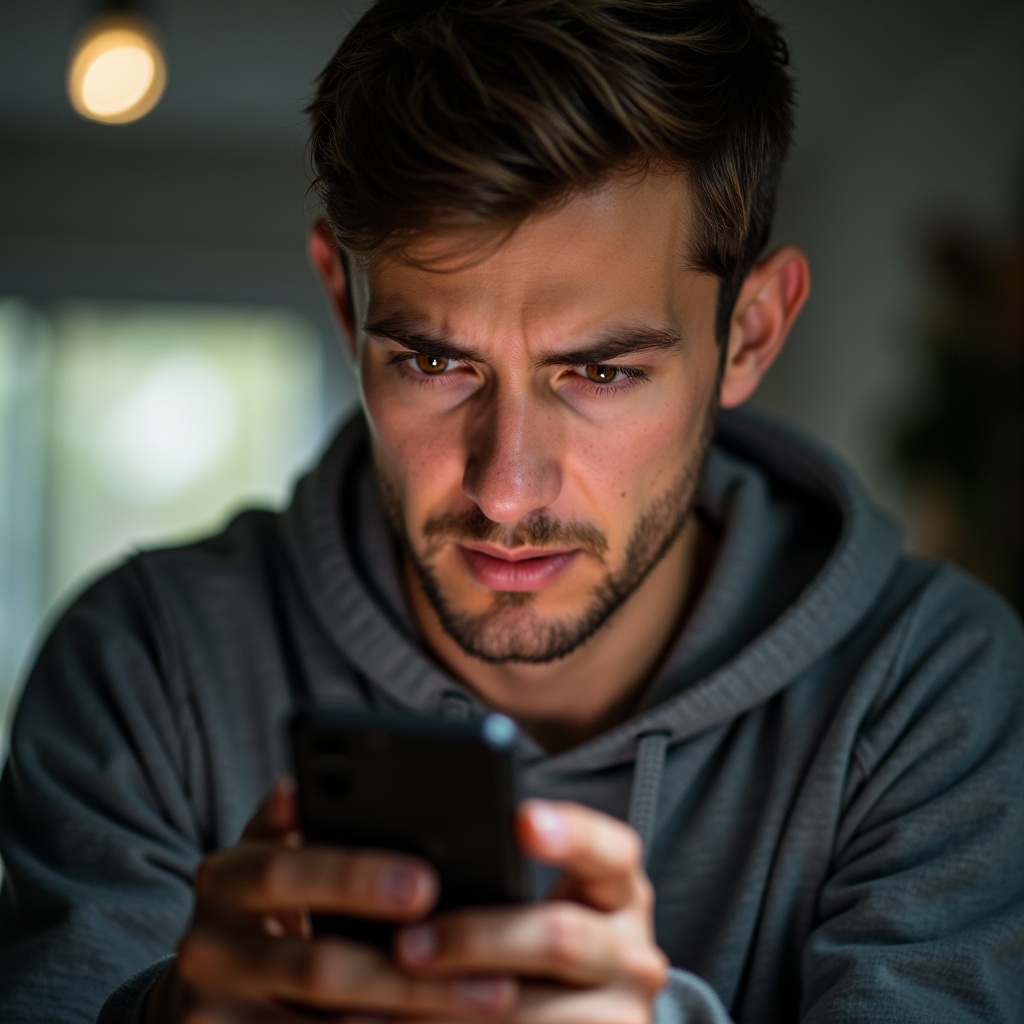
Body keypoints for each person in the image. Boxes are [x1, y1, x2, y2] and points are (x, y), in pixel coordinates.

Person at [1, 0, 1022, 1021]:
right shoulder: (144, 664)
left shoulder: (934, 693)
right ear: (343, 303)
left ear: (749, 334)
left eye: (600, 371)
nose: (504, 488)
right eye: (434, 361)